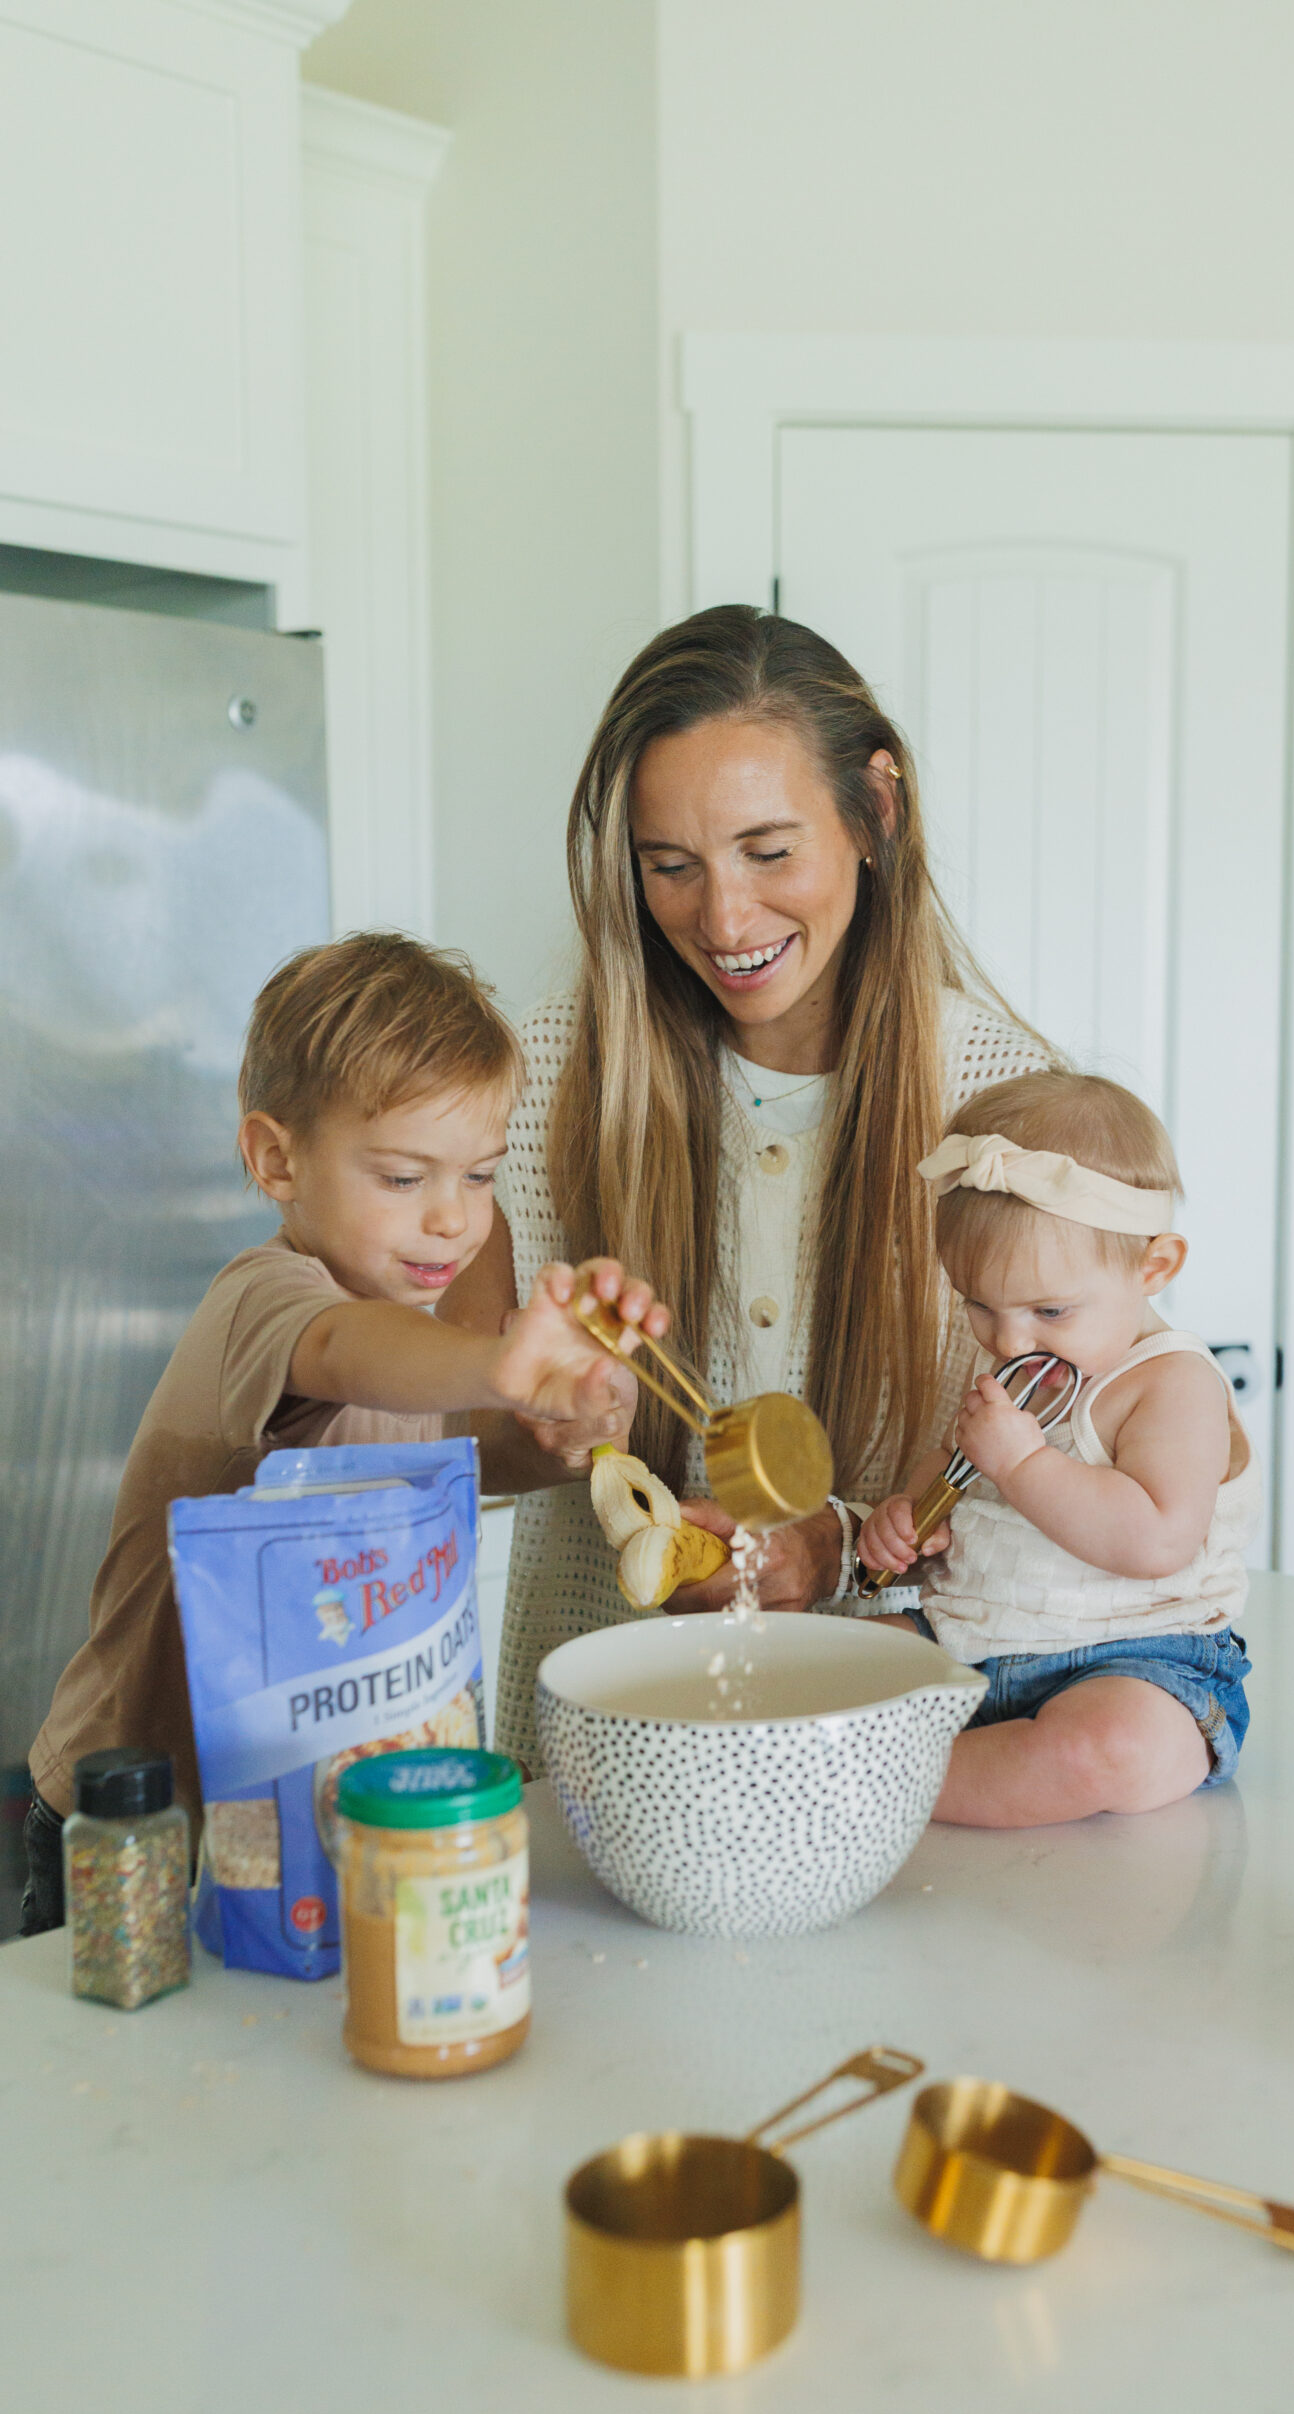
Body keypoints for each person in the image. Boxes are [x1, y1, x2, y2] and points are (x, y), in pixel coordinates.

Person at [439, 606, 1053, 1768]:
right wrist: (562, 1428)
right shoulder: (547, 1079)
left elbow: (1049, 1458)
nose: (722, 920)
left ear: (878, 810)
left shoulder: (1008, 1108)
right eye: (670, 867)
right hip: (594, 1758)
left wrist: (840, 1547)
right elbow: (462, 1442)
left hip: (893, 1758)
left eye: (768, 852)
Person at [20, 932, 665, 1932]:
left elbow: (462, 1442)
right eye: (405, 1177)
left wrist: (561, 1423)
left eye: (480, 1175)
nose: (454, 1219)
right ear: (277, 1158)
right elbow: (346, 1352)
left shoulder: (407, 1333)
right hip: (139, 1818)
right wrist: (498, 1363)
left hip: (282, 1822)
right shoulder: (272, 1301)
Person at [857, 1071, 1259, 1827]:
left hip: (1137, 1662)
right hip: (973, 1640)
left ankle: (875, 1787)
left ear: (1153, 1267)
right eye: (978, 1304)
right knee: (823, 1657)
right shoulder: (1024, 1364)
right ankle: (872, 1754)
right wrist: (912, 1519)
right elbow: (957, 1481)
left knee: (1109, 1747)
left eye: (1048, 1309)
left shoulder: (1169, 1383)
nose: (1007, 1339)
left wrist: (1023, 1464)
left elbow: (1157, 1539)